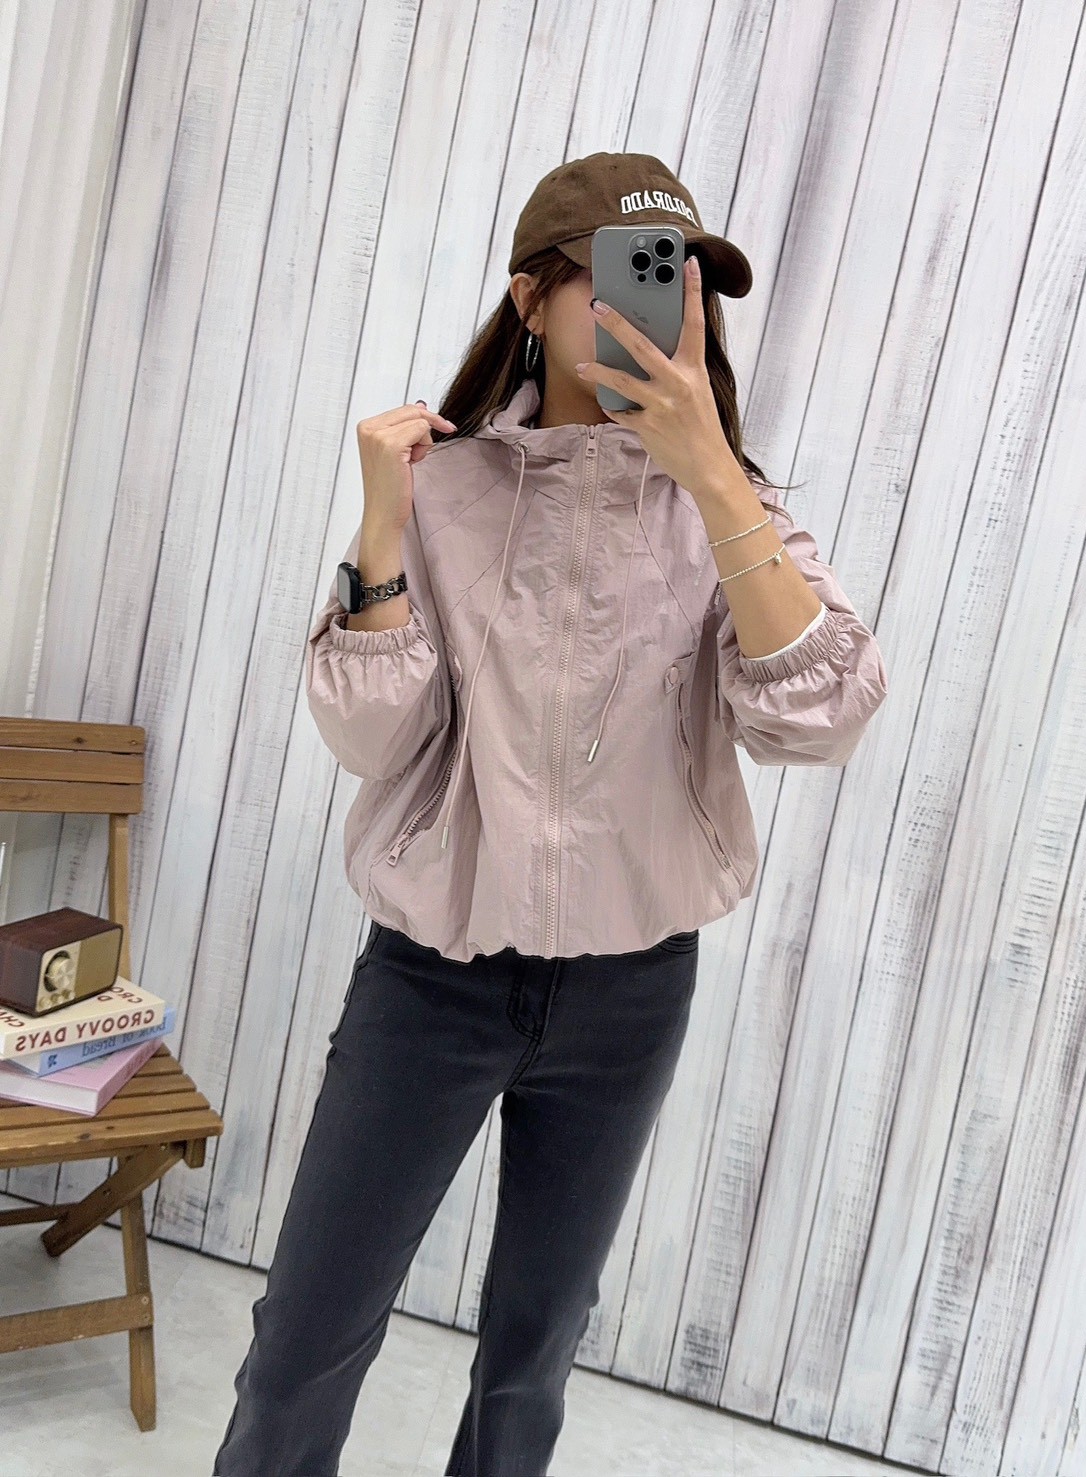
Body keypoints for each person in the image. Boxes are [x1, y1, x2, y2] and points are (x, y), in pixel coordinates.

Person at [212, 151, 887, 1477]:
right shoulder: (442, 489)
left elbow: (820, 716)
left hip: (632, 991)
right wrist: (383, 531)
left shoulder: (733, 511)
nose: (665, 306)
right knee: (304, 1340)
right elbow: (370, 739)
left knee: (532, 1354)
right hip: (431, 983)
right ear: (533, 295)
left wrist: (712, 478)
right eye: (628, 275)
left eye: (683, 280)